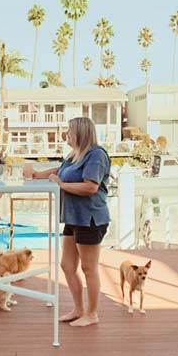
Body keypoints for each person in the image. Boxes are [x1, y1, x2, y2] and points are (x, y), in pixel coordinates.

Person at [28, 117, 110, 327]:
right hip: (74, 218)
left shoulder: (96, 155)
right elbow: (59, 170)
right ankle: (78, 309)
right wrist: (37, 175)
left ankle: (92, 314)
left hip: (90, 218)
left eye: (69, 131)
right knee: (67, 265)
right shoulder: (74, 155)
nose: (66, 134)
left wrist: (62, 185)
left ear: (80, 133)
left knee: (89, 268)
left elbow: (91, 187)